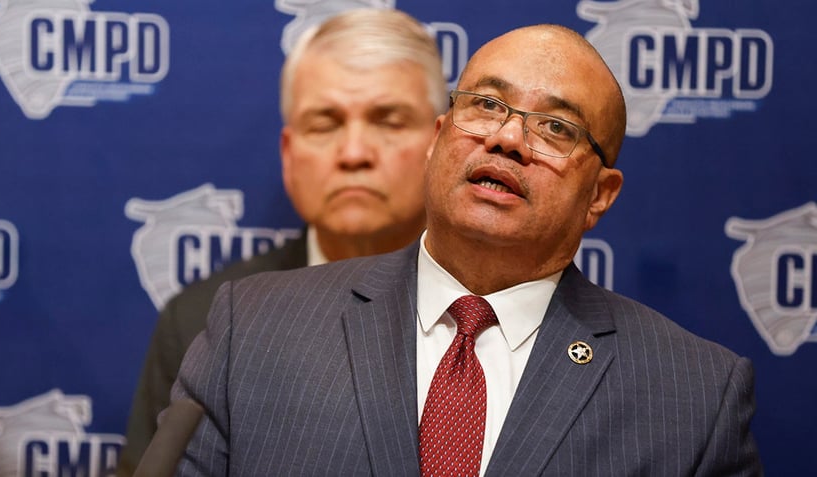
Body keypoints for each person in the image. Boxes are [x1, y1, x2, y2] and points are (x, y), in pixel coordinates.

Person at [172, 23, 762, 476]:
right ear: (437, 141)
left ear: (600, 196)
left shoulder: (695, 396)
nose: (508, 139)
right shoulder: (252, 327)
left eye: (557, 128)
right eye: (486, 105)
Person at [119, 8, 447, 474]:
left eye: (389, 121)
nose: (354, 154)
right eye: (325, 123)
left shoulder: (485, 311)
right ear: (290, 156)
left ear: (441, 144)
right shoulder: (202, 320)